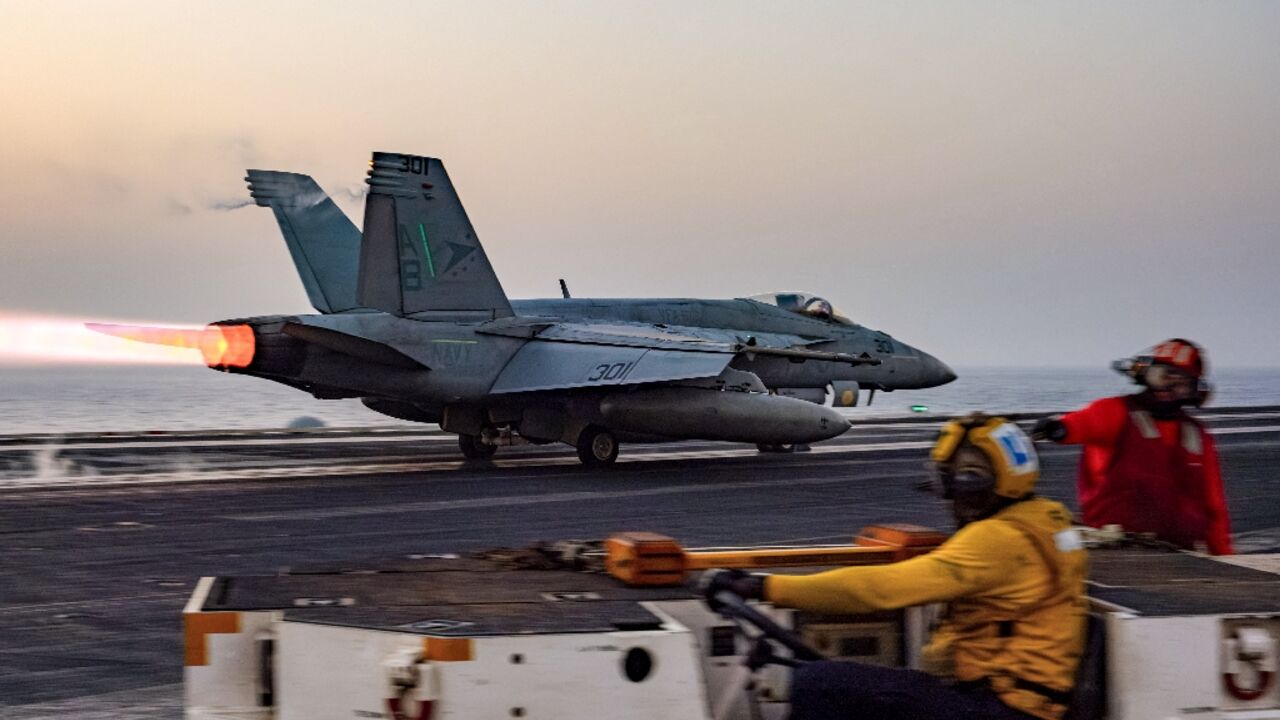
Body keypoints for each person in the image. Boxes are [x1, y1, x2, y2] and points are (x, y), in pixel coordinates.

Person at [702, 414, 1088, 720]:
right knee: (842, 683)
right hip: (1014, 701)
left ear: (972, 485)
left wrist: (763, 587)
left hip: (1002, 709)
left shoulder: (998, 540)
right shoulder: (1047, 518)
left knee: (820, 684)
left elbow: (879, 589)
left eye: (952, 485)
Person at [1032, 338, 1233, 555]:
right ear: (1146, 375)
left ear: (1193, 390)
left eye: (1180, 384)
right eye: (1162, 377)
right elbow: (1082, 423)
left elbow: (1214, 507)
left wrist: (1223, 555)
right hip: (1116, 549)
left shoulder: (1198, 436)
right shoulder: (1115, 412)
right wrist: (1058, 428)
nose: (1167, 388)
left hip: (1180, 555)